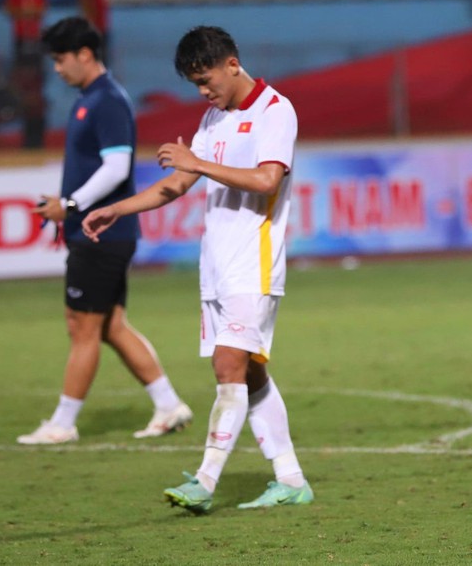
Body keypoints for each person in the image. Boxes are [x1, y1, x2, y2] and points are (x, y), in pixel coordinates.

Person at [82, 26, 312, 513]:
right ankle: (291, 478)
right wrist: (117, 209)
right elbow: (177, 184)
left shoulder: (276, 111)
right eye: (196, 85)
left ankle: (204, 482)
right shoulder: (213, 119)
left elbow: (267, 178)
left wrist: (200, 165)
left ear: (233, 64)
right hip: (218, 269)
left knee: (226, 365)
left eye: (207, 80)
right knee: (247, 374)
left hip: (255, 263)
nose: (204, 91)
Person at [19, 17, 192, 445]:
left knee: (82, 326)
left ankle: (63, 422)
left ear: (84, 55)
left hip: (100, 233)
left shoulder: (106, 101)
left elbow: (117, 168)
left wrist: (72, 204)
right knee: (111, 325)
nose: (56, 69)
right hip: (102, 232)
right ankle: (169, 405)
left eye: (61, 59)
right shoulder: (91, 99)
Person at [5, 0, 49, 148]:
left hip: (35, 42)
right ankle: (26, 134)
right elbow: (11, 11)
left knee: (37, 86)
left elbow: (41, 12)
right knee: (23, 86)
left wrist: (28, 13)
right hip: (21, 41)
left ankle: (37, 134)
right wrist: (27, 13)